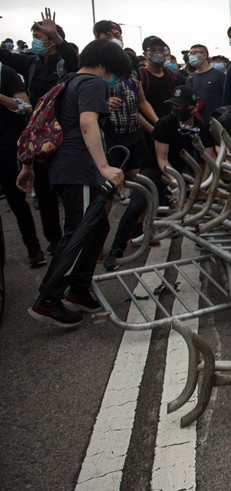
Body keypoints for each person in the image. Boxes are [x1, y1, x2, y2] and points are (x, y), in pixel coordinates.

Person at [16, 39, 127, 327]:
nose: (113, 80)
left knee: (97, 226)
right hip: (79, 168)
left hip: (66, 167)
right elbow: (87, 123)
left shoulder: (69, 82)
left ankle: (79, 289)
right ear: (104, 66)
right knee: (80, 231)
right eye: (114, 73)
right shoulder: (92, 83)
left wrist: (27, 166)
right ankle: (49, 300)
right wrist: (103, 167)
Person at [103, 85, 218, 271]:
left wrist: (202, 184)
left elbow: (209, 158)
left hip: (182, 170)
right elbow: (162, 159)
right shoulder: (165, 124)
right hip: (155, 169)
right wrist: (175, 183)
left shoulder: (201, 128)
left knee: (199, 203)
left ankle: (204, 236)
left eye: (183, 106)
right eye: (175, 106)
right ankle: (117, 249)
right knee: (137, 206)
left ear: (194, 107)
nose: (178, 110)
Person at [0, 8, 78, 258]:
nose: (35, 38)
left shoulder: (65, 59)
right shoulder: (30, 62)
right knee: (43, 191)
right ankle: (54, 240)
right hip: (39, 135)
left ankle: (73, 235)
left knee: (68, 188)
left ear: (53, 39)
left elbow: (75, 61)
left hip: (65, 130)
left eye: (40, 35)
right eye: (34, 34)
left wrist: (56, 35)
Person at [93, 21, 159, 173]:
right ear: (97, 39)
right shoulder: (94, 67)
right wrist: (105, 102)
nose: (113, 40)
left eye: (116, 36)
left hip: (134, 132)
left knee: (138, 177)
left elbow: (141, 101)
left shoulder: (130, 67)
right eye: (106, 36)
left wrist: (157, 123)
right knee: (113, 180)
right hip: (110, 134)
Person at [0, 55, 42, 267]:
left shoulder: (5, 73)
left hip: (7, 148)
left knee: (17, 202)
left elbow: (26, 107)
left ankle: (34, 249)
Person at [139, 36, 183, 119]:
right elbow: (136, 108)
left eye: (162, 50)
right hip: (149, 128)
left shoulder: (174, 76)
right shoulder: (140, 76)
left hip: (169, 125)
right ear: (145, 54)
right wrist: (154, 128)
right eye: (153, 50)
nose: (158, 53)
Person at [185, 44, 225, 119]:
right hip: (198, 122)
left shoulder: (219, 75)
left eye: (194, 53)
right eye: (189, 54)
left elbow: (226, 99)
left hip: (217, 121)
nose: (190, 56)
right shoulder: (190, 78)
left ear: (204, 55)